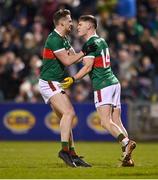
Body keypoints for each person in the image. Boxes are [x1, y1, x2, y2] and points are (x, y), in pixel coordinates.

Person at [61, 15, 136, 167]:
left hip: (103, 84)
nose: (78, 27)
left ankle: (126, 143)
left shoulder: (90, 43)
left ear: (89, 26)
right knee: (116, 121)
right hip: (114, 82)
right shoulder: (100, 41)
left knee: (104, 122)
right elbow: (91, 61)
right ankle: (127, 158)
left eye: (81, 24)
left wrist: (73, 79)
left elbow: (88, 67)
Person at [39, 10, 96, 167]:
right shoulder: (54, 39)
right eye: (70, 21)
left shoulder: (64, 38)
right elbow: (68, 61)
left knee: (67, 118)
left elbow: (76, 56)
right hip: (49, 82)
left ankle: (72, 154)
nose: (72, 24)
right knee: (69, 113)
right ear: (62, 23)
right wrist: (85, 51)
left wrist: (91, 57)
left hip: (55, 82)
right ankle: (65, 151)